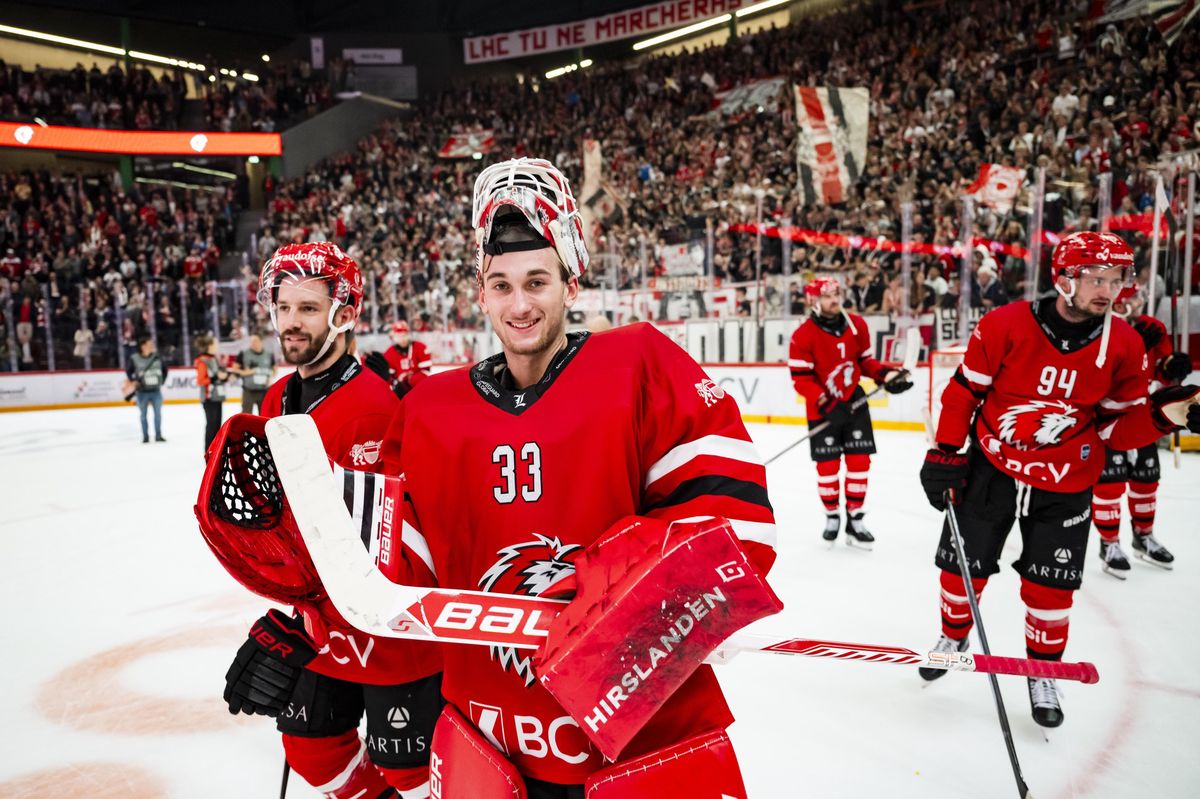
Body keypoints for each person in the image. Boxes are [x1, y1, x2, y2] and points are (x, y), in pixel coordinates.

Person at [380, 157, 777, 797]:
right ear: (480, 293)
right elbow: (393, 580)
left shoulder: (640, 366)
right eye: (501, 285)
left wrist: (618, 581)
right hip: (491, 747)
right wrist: (300, 595)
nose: (519, 304)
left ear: (571, 284)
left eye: (537, 281)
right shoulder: (428, 409)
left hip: (634, 749)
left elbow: (739, 531)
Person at [918, 232, 1200, 728]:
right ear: (1064, 278)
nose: (1107, 290)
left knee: (1052, 588)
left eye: (1116, 280)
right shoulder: (1004, 323)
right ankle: (952, 634)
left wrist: (1164, 418)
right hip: (993, 467)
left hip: (1068, 479)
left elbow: (1115, 429)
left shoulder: (1126, 343)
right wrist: (945, 451)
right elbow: (964, 392)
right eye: (1095, 278)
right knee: (962, 571)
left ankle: (1042, 670)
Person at [221, 242, 443, 799]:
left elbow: (378, 551)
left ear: (343, 315)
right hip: (321, 622)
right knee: (313, 749)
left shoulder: (371, 410)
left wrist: (300, 621)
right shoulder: (275, 399)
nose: (291, 323)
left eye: (308, 309)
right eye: (285, 308)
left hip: (385, 631)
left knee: (413, 774)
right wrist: (292, 611)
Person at [788, 277, 912, 546]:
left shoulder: (857, 325)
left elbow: (865, 361)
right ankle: (832, 516)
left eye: (837, 294)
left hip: (853, 402)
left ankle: (855, 519)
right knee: (828, 467)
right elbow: (801, 379)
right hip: (823, 408)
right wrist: (826, 403)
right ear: (813, 301)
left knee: (859, 464)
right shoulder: (802, 335)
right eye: (827, 296)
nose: (835, 300)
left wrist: (885, 375)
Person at [1090, 284, 1192, 576]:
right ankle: (1109, 543)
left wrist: (1173, 367)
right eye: (1124, 303)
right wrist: (1134, 343)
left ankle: (1143, 536)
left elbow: (1160, 369)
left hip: (1142, 415)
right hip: (1107, 418)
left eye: (1135, 301)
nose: (1131, 307)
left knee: (1146, 480)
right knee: (1109, 484)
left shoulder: (1152, 327)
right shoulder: (1098, 328)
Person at [364, 320, 432, 401]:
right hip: (401, 391)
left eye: (404, 335)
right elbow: (390, 379)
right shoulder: (389, 354)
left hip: (419, 388)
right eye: (399, 335)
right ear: (393, 336)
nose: (402, 338)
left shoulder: (420, 348)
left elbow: (426, 372)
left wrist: (409, 381)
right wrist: (398, 384)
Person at [125, 336, 167, 443]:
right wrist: (133, 380)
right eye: (149, 344)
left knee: (158, 414)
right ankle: (145, 436)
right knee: (143, 415)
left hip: (156, 391)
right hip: (142, 392)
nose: (152, 346)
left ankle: (158, 435)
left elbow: (165, 369)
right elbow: (129, 371)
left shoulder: (157, 357)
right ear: (143, 346)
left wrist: (162, 381)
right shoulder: (134, 358)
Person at [193, 334, 228, 450]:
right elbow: (200, 380)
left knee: (217, 426)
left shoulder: (213, 359)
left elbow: (217, 375)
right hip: (209, 398)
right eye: (215, 344)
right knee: (211, 426)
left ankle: (216, 450)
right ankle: (209, 451)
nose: (217, 346)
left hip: (217, 396)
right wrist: (215, 377)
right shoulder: (202, 360)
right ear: (209, 346)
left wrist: (224, 376)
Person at [232, 334, 275, 414]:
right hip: (249, 390)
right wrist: (246, 372)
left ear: (261, 342)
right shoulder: (243, 354)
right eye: (251, 342)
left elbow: (274, 369)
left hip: (264, 391)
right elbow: (234, 369)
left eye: (255, 341)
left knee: (265, 414)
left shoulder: (268, 355)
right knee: (246, 414)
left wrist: (270, 377)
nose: (253, 343)